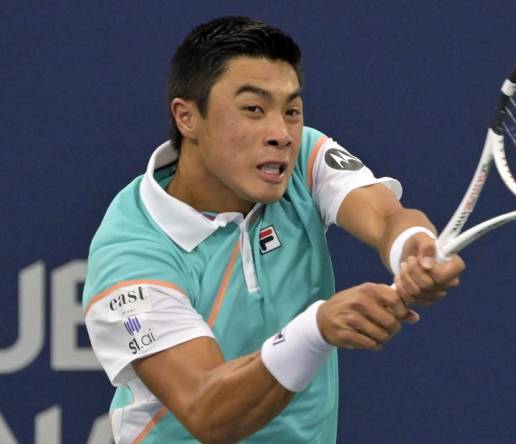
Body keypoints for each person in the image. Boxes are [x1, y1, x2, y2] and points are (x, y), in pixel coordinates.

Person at [82, 15, 465, 444]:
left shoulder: (301, 158)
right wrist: (316, 329)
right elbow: (208, 411)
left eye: (292, 111)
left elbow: (386, 217)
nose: (280, 133)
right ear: (187, 118)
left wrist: (412, 250)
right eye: (253, 109)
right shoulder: (132, 251)